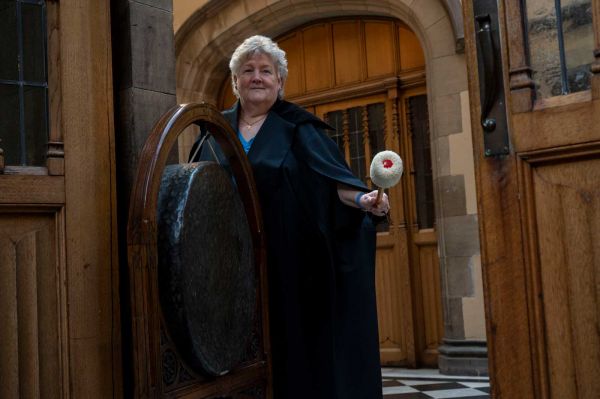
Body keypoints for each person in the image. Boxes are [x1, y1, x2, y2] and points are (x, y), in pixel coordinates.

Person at [190, 35, 388, 399]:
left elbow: (333, 184)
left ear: (280, 82)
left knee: (290, 361)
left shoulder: (301, 130)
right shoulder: (213, 132)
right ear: (235, 82)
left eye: (266, 71)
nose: (257, 77)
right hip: (226, 270)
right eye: (248, 71)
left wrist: (363, 198)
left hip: (290, 269)